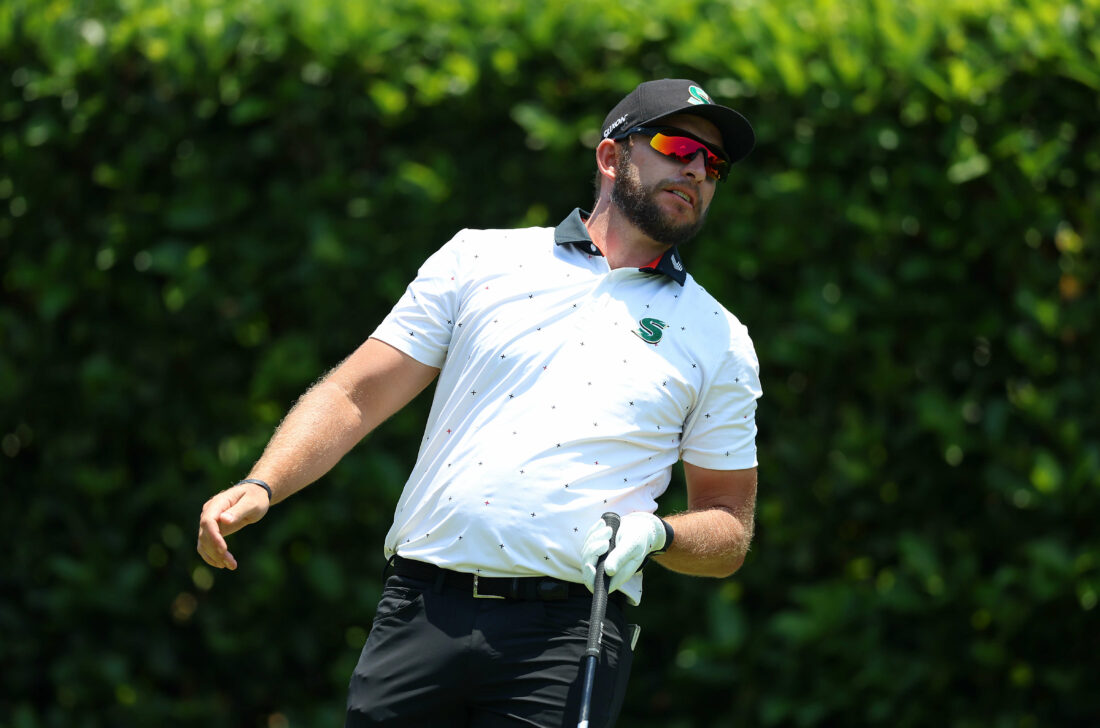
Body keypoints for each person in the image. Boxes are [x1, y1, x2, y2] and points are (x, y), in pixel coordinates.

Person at [197, 78, 762, 727]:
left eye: (712, 162)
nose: (696, 168)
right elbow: (356, 393)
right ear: (611, 158)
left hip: (567, 636)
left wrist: (660, 533)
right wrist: (265, 482)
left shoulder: (719, 337)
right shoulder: (480, 258)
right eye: (676, 145)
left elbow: (728, 530)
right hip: (420, 607)